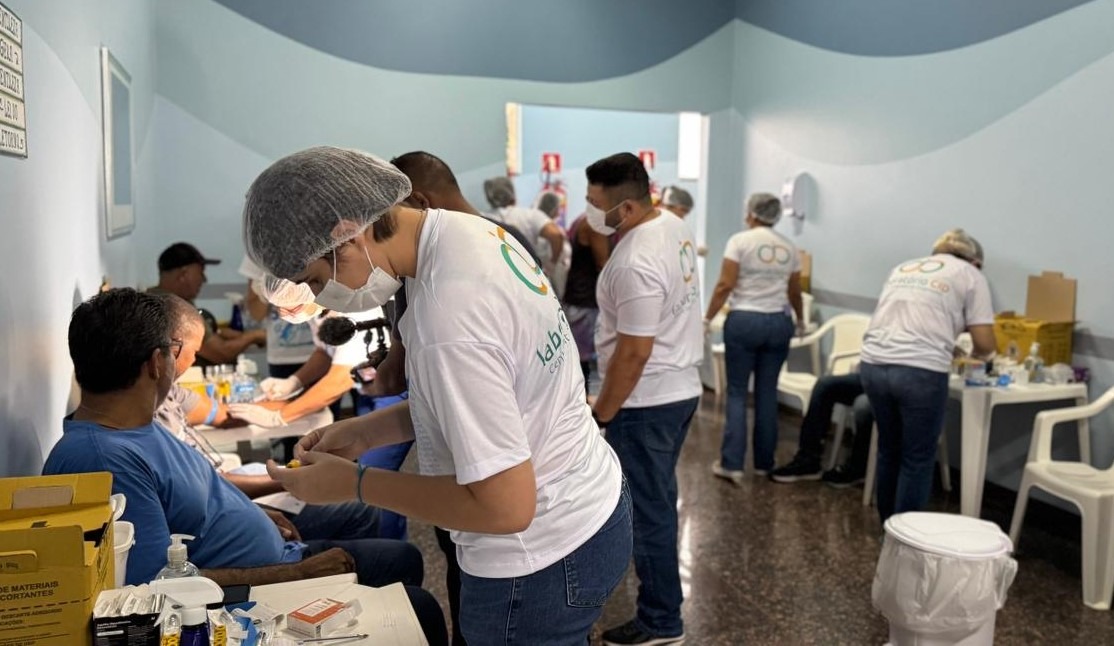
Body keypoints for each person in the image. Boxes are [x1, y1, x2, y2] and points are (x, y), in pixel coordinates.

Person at [244, 147, 631, 646]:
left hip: (537, 558)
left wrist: (357, 484)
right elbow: (501, 392)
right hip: (589, 498)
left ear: (345, 233)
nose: (321, 298)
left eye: (316, 280)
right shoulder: (462, 232)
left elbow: (505, 508)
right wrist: (366, 430)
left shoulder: (450, 316)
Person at [40, 289, 448, 644]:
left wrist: (258, 512)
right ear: (156, 364)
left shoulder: (136, 424)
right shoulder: (105, 459)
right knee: (421, 608)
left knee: (404, 558)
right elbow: (153, 591)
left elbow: (199, 491)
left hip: (280, 552)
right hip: (258, 590)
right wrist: (301, 574)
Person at [584, 153, 703, 646]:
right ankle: (656, 608)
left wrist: (602, 413)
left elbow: (633, 352)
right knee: (656, 502)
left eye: (596, 205)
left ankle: (661, 621)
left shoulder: (633, 260)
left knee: (650, 511)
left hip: (646, 401)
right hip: (679, 391)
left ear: (627, 207)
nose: (590, 213)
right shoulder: (671, 224)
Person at [156, 294, 383, 541]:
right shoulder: (146, 422)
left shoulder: (171, 392)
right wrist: (285, 478)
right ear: (171, 350)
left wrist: (282, 404)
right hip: (217, 499)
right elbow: (208, 487)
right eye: (197, 351)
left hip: (227, 485)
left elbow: (226, 414)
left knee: (361, 486)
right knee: (362, 505)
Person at [860, 229, 995, 522]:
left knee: (889, 449)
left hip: (873, 363)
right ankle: (904, 541)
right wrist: (984, 358)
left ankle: (888, 526)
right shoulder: (971, 275)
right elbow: (984, 343)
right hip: (919, 371)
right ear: (976, 261)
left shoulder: (904, 268)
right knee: (917, 458)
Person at [703, 193, 803, 483]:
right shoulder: (789, 247)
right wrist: (802, 321)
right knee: (767, 393)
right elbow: (794, 291)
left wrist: (708, 317)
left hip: (745, 320)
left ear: (751, 213)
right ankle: (764, 462)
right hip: (778, 323)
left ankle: (732, 463)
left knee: (736, 391)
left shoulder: (740, 241)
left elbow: (725, 285)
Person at [150, 242, 265, 365]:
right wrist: (256, 336)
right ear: (183, 275)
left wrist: (221, 333)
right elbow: (222, 353)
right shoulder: (173, 310)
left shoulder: (153, 300)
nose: (204, 279)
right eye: (201, 272)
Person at [768, 373, 873, 487]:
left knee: (863, 405)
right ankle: (808, 460)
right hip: (872, 375)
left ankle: (858, 467)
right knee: (824, 385)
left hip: (891, 382)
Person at [561, 207, 612, 393]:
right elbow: (604, 265)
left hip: (579, 299)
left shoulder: (582, 218)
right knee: (582, 362)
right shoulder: (595, 223)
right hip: (585, 303)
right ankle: (583, 404)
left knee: (580, 360)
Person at [241, 257, 316, 379]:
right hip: (282, 357)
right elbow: (256, 313)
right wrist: (265, 291)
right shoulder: (260, 249)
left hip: (322, 353)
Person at [483, 176, 566, 267]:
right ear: (512, 193)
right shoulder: (529, 216)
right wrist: (552, 264)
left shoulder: (483, 218)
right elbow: (556, 235)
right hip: (526, 272)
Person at [533, 190, 572, 298]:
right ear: (553, 208)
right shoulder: (547, 231)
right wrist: (553, 263)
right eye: (558, 207)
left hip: (555, 273)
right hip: (552, 275)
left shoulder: (550, 227)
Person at [659, 185, 706, 257]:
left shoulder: (674, 227)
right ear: (668, 206)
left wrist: (694, 251)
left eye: (686, 212)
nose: (683, 216)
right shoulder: (655, 226)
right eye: (683, 210)